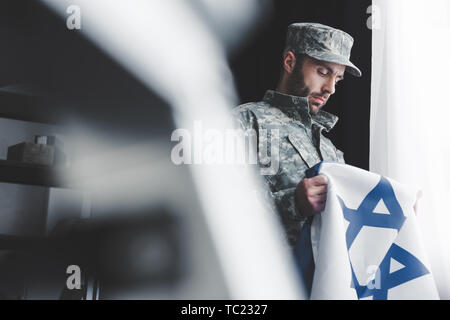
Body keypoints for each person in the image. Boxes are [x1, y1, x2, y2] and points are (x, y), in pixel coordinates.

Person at [232, 22, 362, 248]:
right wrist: (294, 203)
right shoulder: (243, 122)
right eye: (323, 72)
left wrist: (392, 212)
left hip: (322, 281)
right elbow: (216, 208)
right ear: (290, 62)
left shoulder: (332, 152)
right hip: (269, 280)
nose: (330, 87)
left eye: (337, 79)